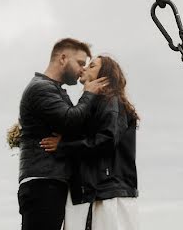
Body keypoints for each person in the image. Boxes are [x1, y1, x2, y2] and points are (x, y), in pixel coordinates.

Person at [18, 38, 109, 230]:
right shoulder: (41, 88)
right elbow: (71, 121)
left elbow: (74, 127)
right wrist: (89, 93)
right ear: (63, 58)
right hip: (43, 182)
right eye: (80, 63)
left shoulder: (55, 89)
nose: (81, 70)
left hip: (50, 182)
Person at [41, 54, 140, 230]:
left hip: (106, 192)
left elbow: (107, 140)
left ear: (105, 76)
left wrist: (62, 146)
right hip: (89, 192)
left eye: (92, 66)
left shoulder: (111, 102)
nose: (85, 68)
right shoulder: (92, 105)